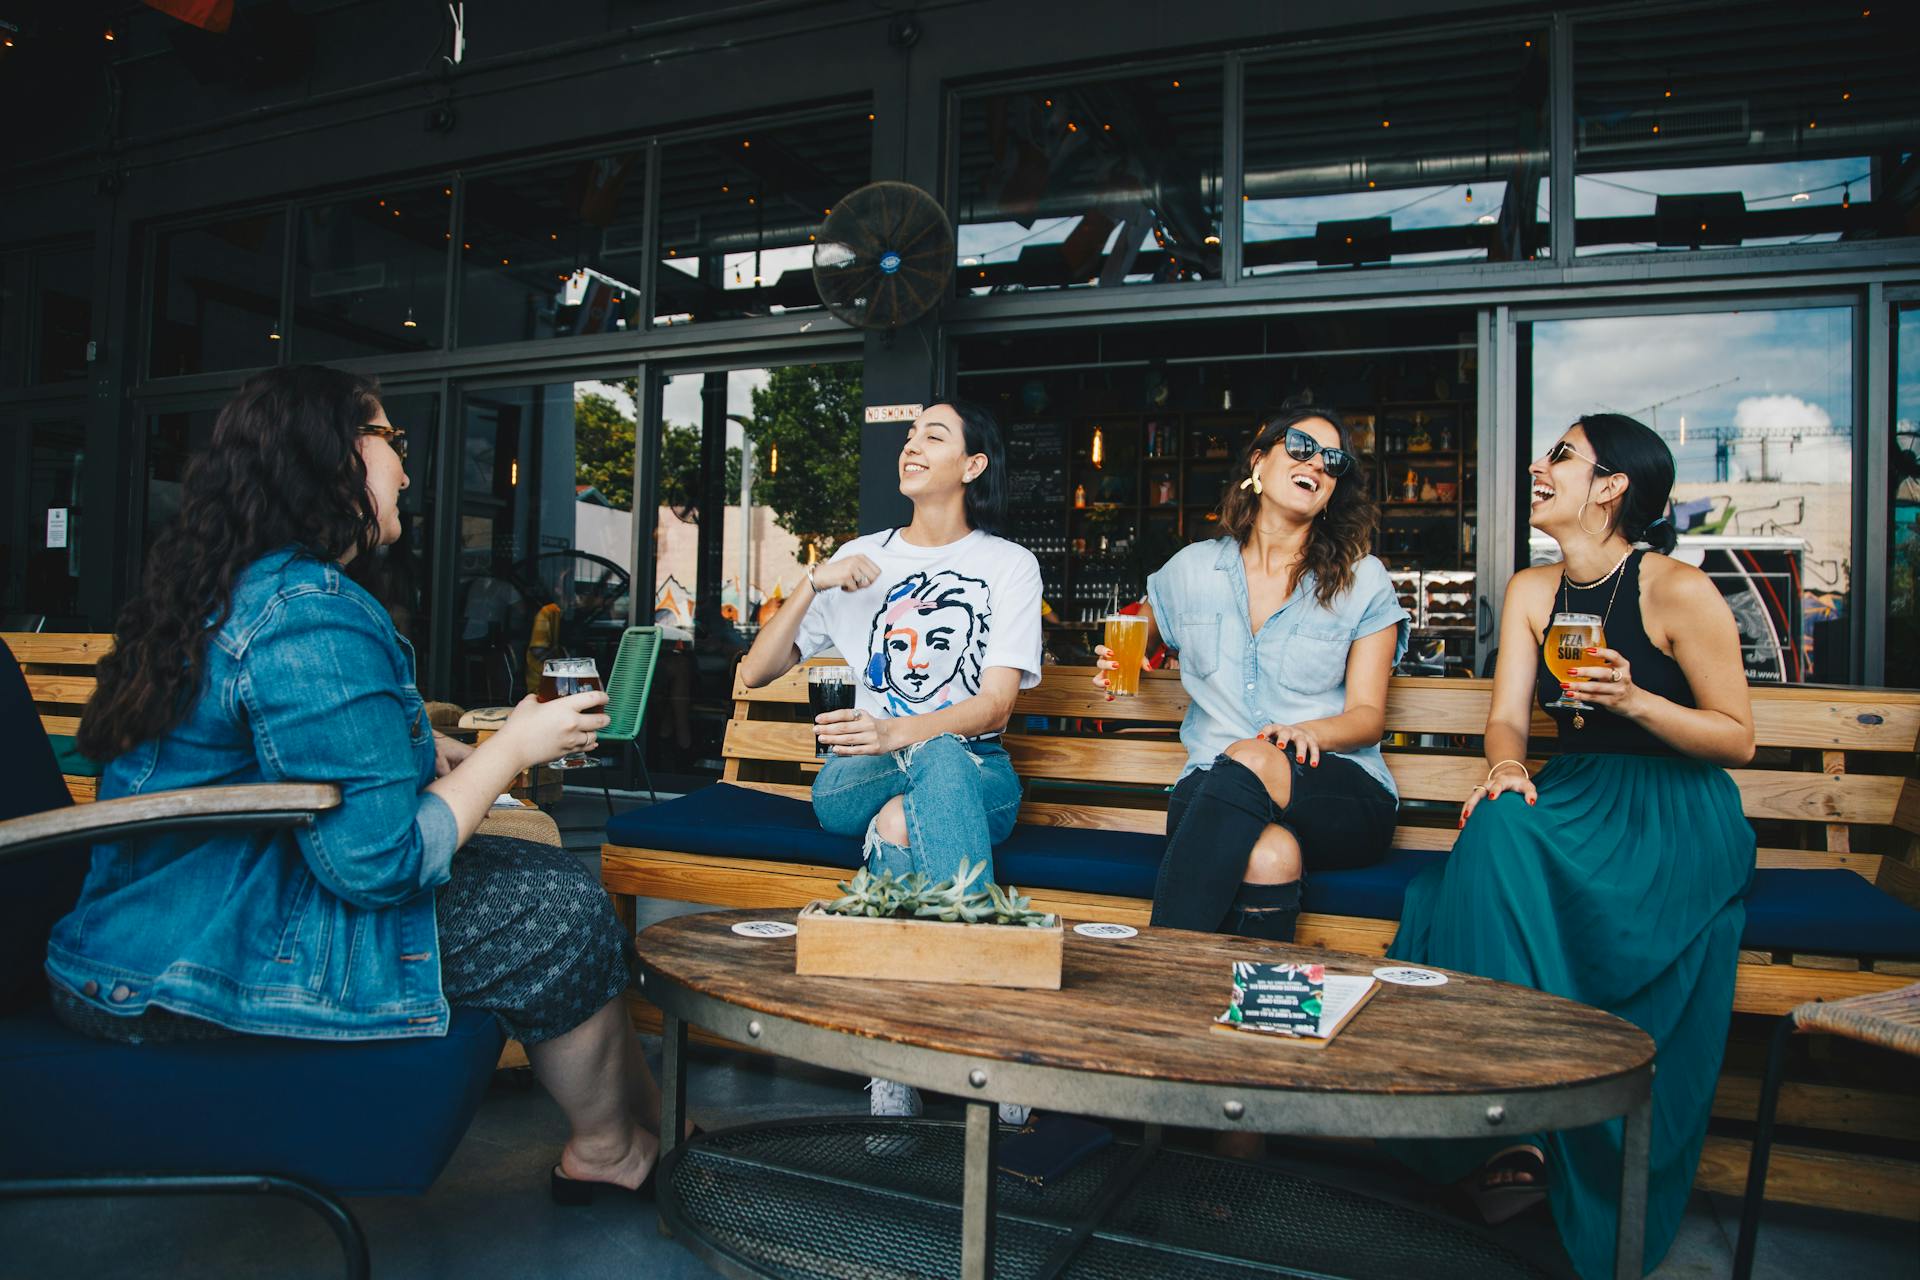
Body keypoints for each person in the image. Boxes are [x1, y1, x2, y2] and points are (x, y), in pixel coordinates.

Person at [51, 365, 676, 1202]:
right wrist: (510, 750)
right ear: (335, 452)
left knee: (548, 881)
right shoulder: (309, 608)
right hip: (180, 965)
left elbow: (282, 761)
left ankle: (652, 1129)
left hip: (157, 929)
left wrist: (436, 750)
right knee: (554, 907)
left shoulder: (239, 586)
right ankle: (610, 1152)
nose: (408, 473)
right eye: (394, 442)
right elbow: (377, 861)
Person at [1387, 414, 1755, 1279]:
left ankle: (1543, 1125)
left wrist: (1636, 704)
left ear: (1612, 486)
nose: (1536, 466)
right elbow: (1508, 716)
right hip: (1577, 791)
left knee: (1478, 869)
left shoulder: (1677, 590)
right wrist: (1508, 766)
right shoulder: (1530, 590)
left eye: (1559, 455)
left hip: (1674, 813)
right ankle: (1509, 1123)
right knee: (1496, 822)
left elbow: (1738, 738)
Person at [738, 400, 1042, 1123]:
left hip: (976, 772)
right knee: (917, 765)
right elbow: (754, 670)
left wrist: (902, 730)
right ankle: (986, 1029)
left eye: (933, 435)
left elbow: (996, 705)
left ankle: (894, 1057)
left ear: (971, 466)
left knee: (907, 818)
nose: (912, 445)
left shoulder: (1007, 566)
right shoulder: (858, 558)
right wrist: (814, 579)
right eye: (909, 435)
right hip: (853, 779)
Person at [1098, 407, 1408, 946]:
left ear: (1333, 490)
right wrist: (1119, 657)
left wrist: (1307, 733)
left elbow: (1367, 718)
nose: (1318, 463)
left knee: (1254, 754)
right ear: (1259, 461)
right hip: (1213, 789)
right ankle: (1251, 1014)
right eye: (1301, 446)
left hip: (1334, 788)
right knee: (1269, 855)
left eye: (1333, 461)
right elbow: (1135, 633)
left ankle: (1156, 965)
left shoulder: (1363, 580)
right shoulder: (1191, 570)